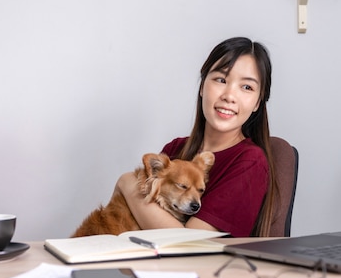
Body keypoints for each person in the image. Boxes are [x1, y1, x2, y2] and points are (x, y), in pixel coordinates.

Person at [116, 37, 279, 237]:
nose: (229, 95)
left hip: (202, 267)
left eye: (247, 87)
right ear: (202, 87)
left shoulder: (250, 161)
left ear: (257, 103)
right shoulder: (175, 149)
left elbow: (189, 243)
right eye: (221, 80)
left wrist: (126, 182)